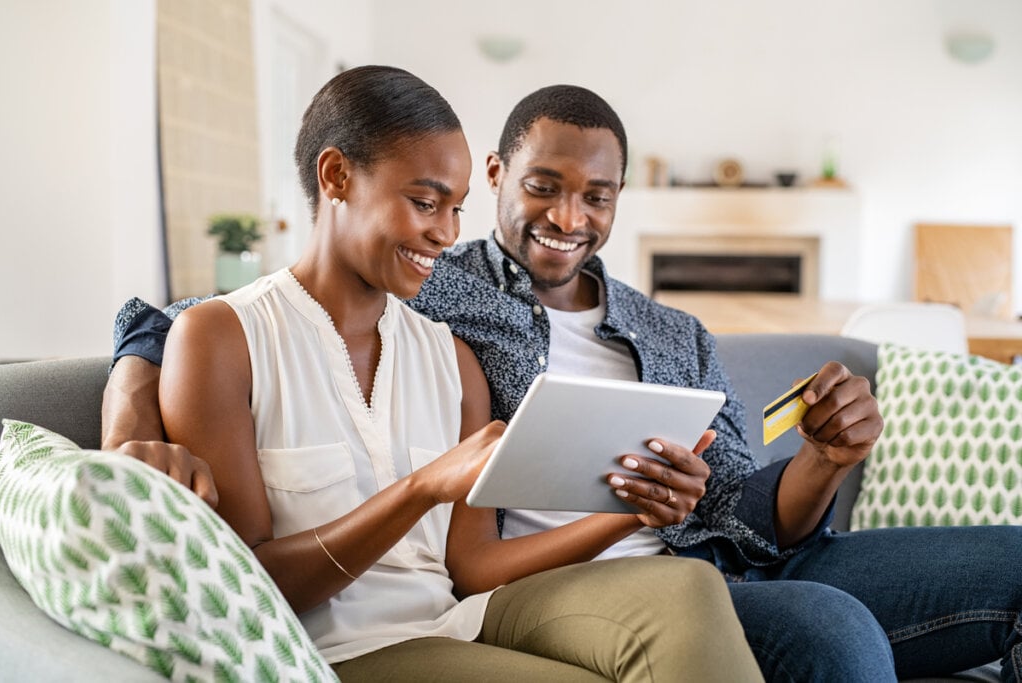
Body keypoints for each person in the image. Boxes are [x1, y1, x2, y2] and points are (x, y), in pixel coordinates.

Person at [104, 81, 1022, 682]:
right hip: (548, 594)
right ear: (501, 176)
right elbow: (175, 320)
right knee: (832, 633)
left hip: (724, 558)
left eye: (598, 196)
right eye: (543, 185)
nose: (568, 217)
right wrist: (129, 416)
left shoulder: (673, 334)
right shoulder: (437, 284)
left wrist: (824, 459)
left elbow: (744, 510)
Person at [118, 65, 763, 682]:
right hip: (334, 651)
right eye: (426, 203)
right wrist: (420, 489)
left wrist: (634, 512)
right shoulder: (222, 338)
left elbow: (475, 567)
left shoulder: (452, 358)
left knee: (688, 585)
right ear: (337, 175)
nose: (447, 234)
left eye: (456, 209)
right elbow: (248, 587)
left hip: (462, 621)